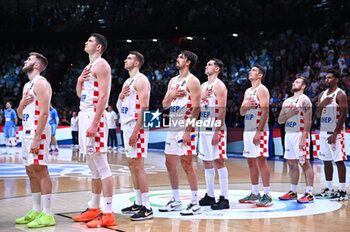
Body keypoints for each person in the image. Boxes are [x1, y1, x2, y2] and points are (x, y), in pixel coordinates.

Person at [72, 33, 116, 227]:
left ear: (98, 47)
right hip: (85, 113)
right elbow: (81, 95)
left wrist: (95, 123)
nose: (85, 42)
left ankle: (108, 212)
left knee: (102, 164)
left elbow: (104, 96)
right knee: (93, 166)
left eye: (89, 40)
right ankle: (94, 208)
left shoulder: (102, 65)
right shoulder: (88, 67)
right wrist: (80, 80)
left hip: (93, 116)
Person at [15, 52, 55, 227]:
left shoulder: (41, 83)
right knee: (30, 171)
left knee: (41, 170)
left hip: (38, 133)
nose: (26, 61)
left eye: (30, 59)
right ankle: (36, 210)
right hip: (26, 131)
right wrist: (22, 103)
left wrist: (37, 138)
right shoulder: (27, 86)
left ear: (37, 65)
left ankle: (47, 214)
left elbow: (45, 113)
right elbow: (19, 113)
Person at [160, 50, 201, 215]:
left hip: (186, 127)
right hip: (173, 125)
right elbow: (164, 104)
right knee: (169, 163)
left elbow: (197, 107)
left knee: (187, 164)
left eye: (181, 57)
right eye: (177, 57)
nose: (177, 59)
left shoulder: (193, 81)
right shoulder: (172, 81)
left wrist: (188, 131)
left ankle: (195, 202)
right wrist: (171, 95)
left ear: (188, 62)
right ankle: (176, 201)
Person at [117, 51, 153, 220]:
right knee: (131, 164)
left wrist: (137, 131)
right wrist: (119, 97)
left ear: (137, 63)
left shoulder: (141, 80)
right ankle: (138, 202)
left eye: (129, 58)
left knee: (138, 166)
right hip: (126, 125)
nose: (126, 59)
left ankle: (147, 207)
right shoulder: (127, 81)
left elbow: (144, 107)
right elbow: (121, 107)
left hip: (136, 126)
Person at [239, 64, 273, 207]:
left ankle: (267, 194)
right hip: (248, 129)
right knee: (250, 161)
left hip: (260, 130)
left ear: (260, 75)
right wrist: (246, 106)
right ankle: (254, 193)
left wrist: (259, 131)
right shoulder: (248, 91)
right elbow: (241, 112)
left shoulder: (262, 89)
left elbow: (265, 112)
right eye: (250, 69)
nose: (250, 71)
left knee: (261, 160)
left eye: (253, 70)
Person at [197, 58, 229, 210]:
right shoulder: (203, 85)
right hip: (204, 124)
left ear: (217, 69)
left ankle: (224, 198)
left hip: (215, 126)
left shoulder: (220, 86)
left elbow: (222, 110)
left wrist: (217, 131)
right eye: (207, 63)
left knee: (219, 161)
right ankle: (210, 195)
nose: (206, 66)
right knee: (206, 161)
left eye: (209, 64)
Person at [277, 76, 314, 203]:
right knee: (292, 164)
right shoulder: (286, 101)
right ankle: (293, 191)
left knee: (305, 163)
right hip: (289, 134)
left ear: (303, 86)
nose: (294, 83)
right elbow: (280, 120)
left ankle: (309, 193)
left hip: (300, 134)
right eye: (294, 81)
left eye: (297, 82)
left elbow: (309, 120)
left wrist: (304, 138)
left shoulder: (305, 100)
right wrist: (289, 114)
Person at [314, 70, 348, 201]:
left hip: (336, 132)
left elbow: (344, 115)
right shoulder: (322, 94)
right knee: (326, 161)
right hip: (323, 131)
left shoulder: (340, 94)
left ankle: (342, 191)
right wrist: (321, 105)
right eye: (326, 78)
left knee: (339, 161)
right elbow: (317, 114)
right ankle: (328, 189)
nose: (326, 80)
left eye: (330, 78)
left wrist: (335, 133)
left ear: (337, 79)